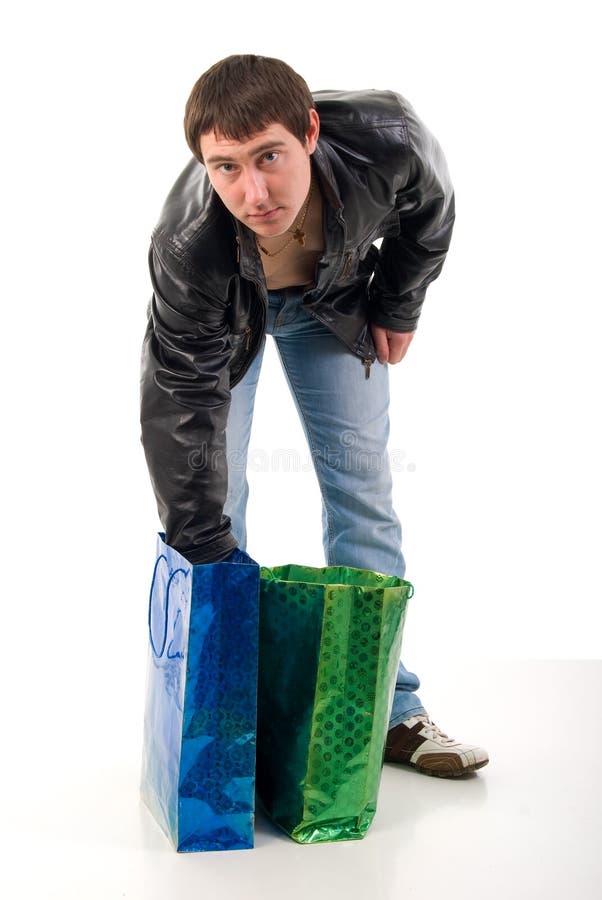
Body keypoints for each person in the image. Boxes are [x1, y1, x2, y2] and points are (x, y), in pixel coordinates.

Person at [140, 54, 489, 777]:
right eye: (226, 167)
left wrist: (397, 303)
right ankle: (224, 725)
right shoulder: (187, 248)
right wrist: (204, 543)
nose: (254, 191)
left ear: (310, 132)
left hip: (331, 306)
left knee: (364, 493)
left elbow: (433, 211)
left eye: (269, 156)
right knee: (211, 517)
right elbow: (181, 408)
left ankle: (389, 713)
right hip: (225, 323)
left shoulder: (386, 138)